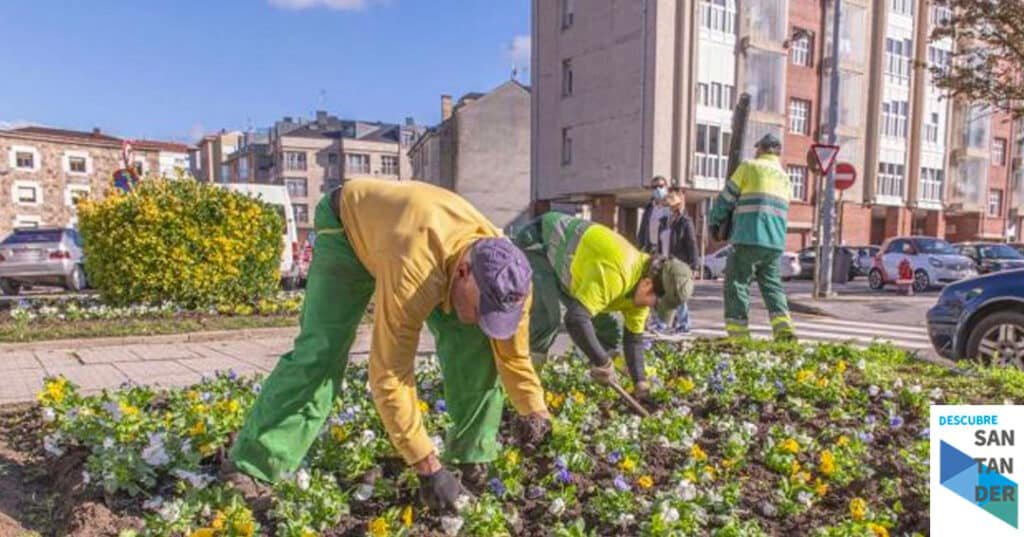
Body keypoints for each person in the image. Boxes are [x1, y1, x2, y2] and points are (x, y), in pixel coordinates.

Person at [225, 179, 551, 513]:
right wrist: (428, 469)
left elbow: (513, 355)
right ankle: (253, 463)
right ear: (464, 272)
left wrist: (537, 412)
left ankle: (471, 458)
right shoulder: (414, 271)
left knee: (477, 345)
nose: (486, 318)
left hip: (422, 239)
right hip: (349, 230)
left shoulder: (510, 279)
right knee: (321, 352)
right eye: (482, 309)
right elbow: (390, 372)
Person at [514, 211, 693, 401]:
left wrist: (640, 382)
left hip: (572, 268)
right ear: (648, 284)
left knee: (606, 331)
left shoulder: (641, 289)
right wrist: (602, 361)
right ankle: (525, 389)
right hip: (539, 243)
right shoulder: (617, 271)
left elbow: (633, 340)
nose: (651, 309)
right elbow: (575, 319)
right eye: (655, 304)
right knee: (547, 320)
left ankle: (596, 371)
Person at [708, 133, 796, 341]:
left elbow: (726, 198)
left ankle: (739, 335)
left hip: (749, 237)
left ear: (760, 149)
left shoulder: (749, 167)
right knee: (772, 285)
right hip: (774, 243)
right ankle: (784, 330)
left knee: (737, 283)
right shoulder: (785, 178)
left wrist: (714, 221)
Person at [658, 189, 698, 333]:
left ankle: (683, 323)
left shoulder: (685, 222)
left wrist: (694, 266)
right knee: (664, 293)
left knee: (678, 294)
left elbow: (692, 244)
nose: (668, 205)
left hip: (679, 263)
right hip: (665, 262)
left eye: (671, 201)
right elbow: (661, 242)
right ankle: (664, 323)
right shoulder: (665, 221)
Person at [637, 175, 670, 253]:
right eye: (655, 187)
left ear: (666, 188)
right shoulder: (649, 208)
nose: (658, 189)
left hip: (667, 250)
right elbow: (643, 229)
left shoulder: (672, 208)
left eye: (661, 186)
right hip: (651, 249)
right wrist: (639, 248)